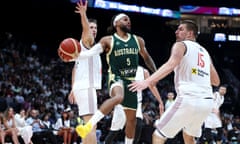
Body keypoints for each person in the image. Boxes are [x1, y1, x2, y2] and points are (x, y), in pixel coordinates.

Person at [129, 20, 220, 144]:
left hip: (189, 98)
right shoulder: (205, 53)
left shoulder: (181, 45)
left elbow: (171, 64)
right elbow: (216, 81)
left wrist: (147, 81)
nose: (176, 31)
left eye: (181, 29)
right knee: (189, 136)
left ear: (190, 34)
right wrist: (198, 72)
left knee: (158, 135)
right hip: (207, 103)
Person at [75, 13, 157, 144]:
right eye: (125, 20)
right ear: (116, 23)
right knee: (119, 97)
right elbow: (90, 53)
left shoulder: (138, 40)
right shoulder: (108, 40)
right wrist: (75, 56)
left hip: (132, 82)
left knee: (131, 121)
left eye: (129, 20)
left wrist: (157, 74)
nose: (128, 22)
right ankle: (87, 127)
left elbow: (147, 58)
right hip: (116, 78)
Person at [67, 0, 102, 144]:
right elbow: (86, 30)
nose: (92, 29)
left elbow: (75, 68)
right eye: (91, 27)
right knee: (91, 126)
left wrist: (72, 89)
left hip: (81, 88)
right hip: (87, 88)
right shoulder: (87, 42)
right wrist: (83, 14)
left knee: (87, 127)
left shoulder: (83, 49)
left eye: (95, 28)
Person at [104, 66, 164, 144]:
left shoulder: (143, 71)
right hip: (122, 105)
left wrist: (160, 101)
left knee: (138, 125)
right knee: (114, 132)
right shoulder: (120, 68)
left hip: (136, 104)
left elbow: (152, 86)